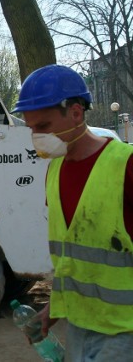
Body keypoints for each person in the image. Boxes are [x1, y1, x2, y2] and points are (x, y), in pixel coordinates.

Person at [13, 64, 133, 361]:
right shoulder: (53, 170)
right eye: (31, 129)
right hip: (79, 326)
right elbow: (72, 258)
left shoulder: (125, 166)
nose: (36, 137)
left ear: (76, 113)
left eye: (43, 127)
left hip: (123, 332)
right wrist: (53, 309)